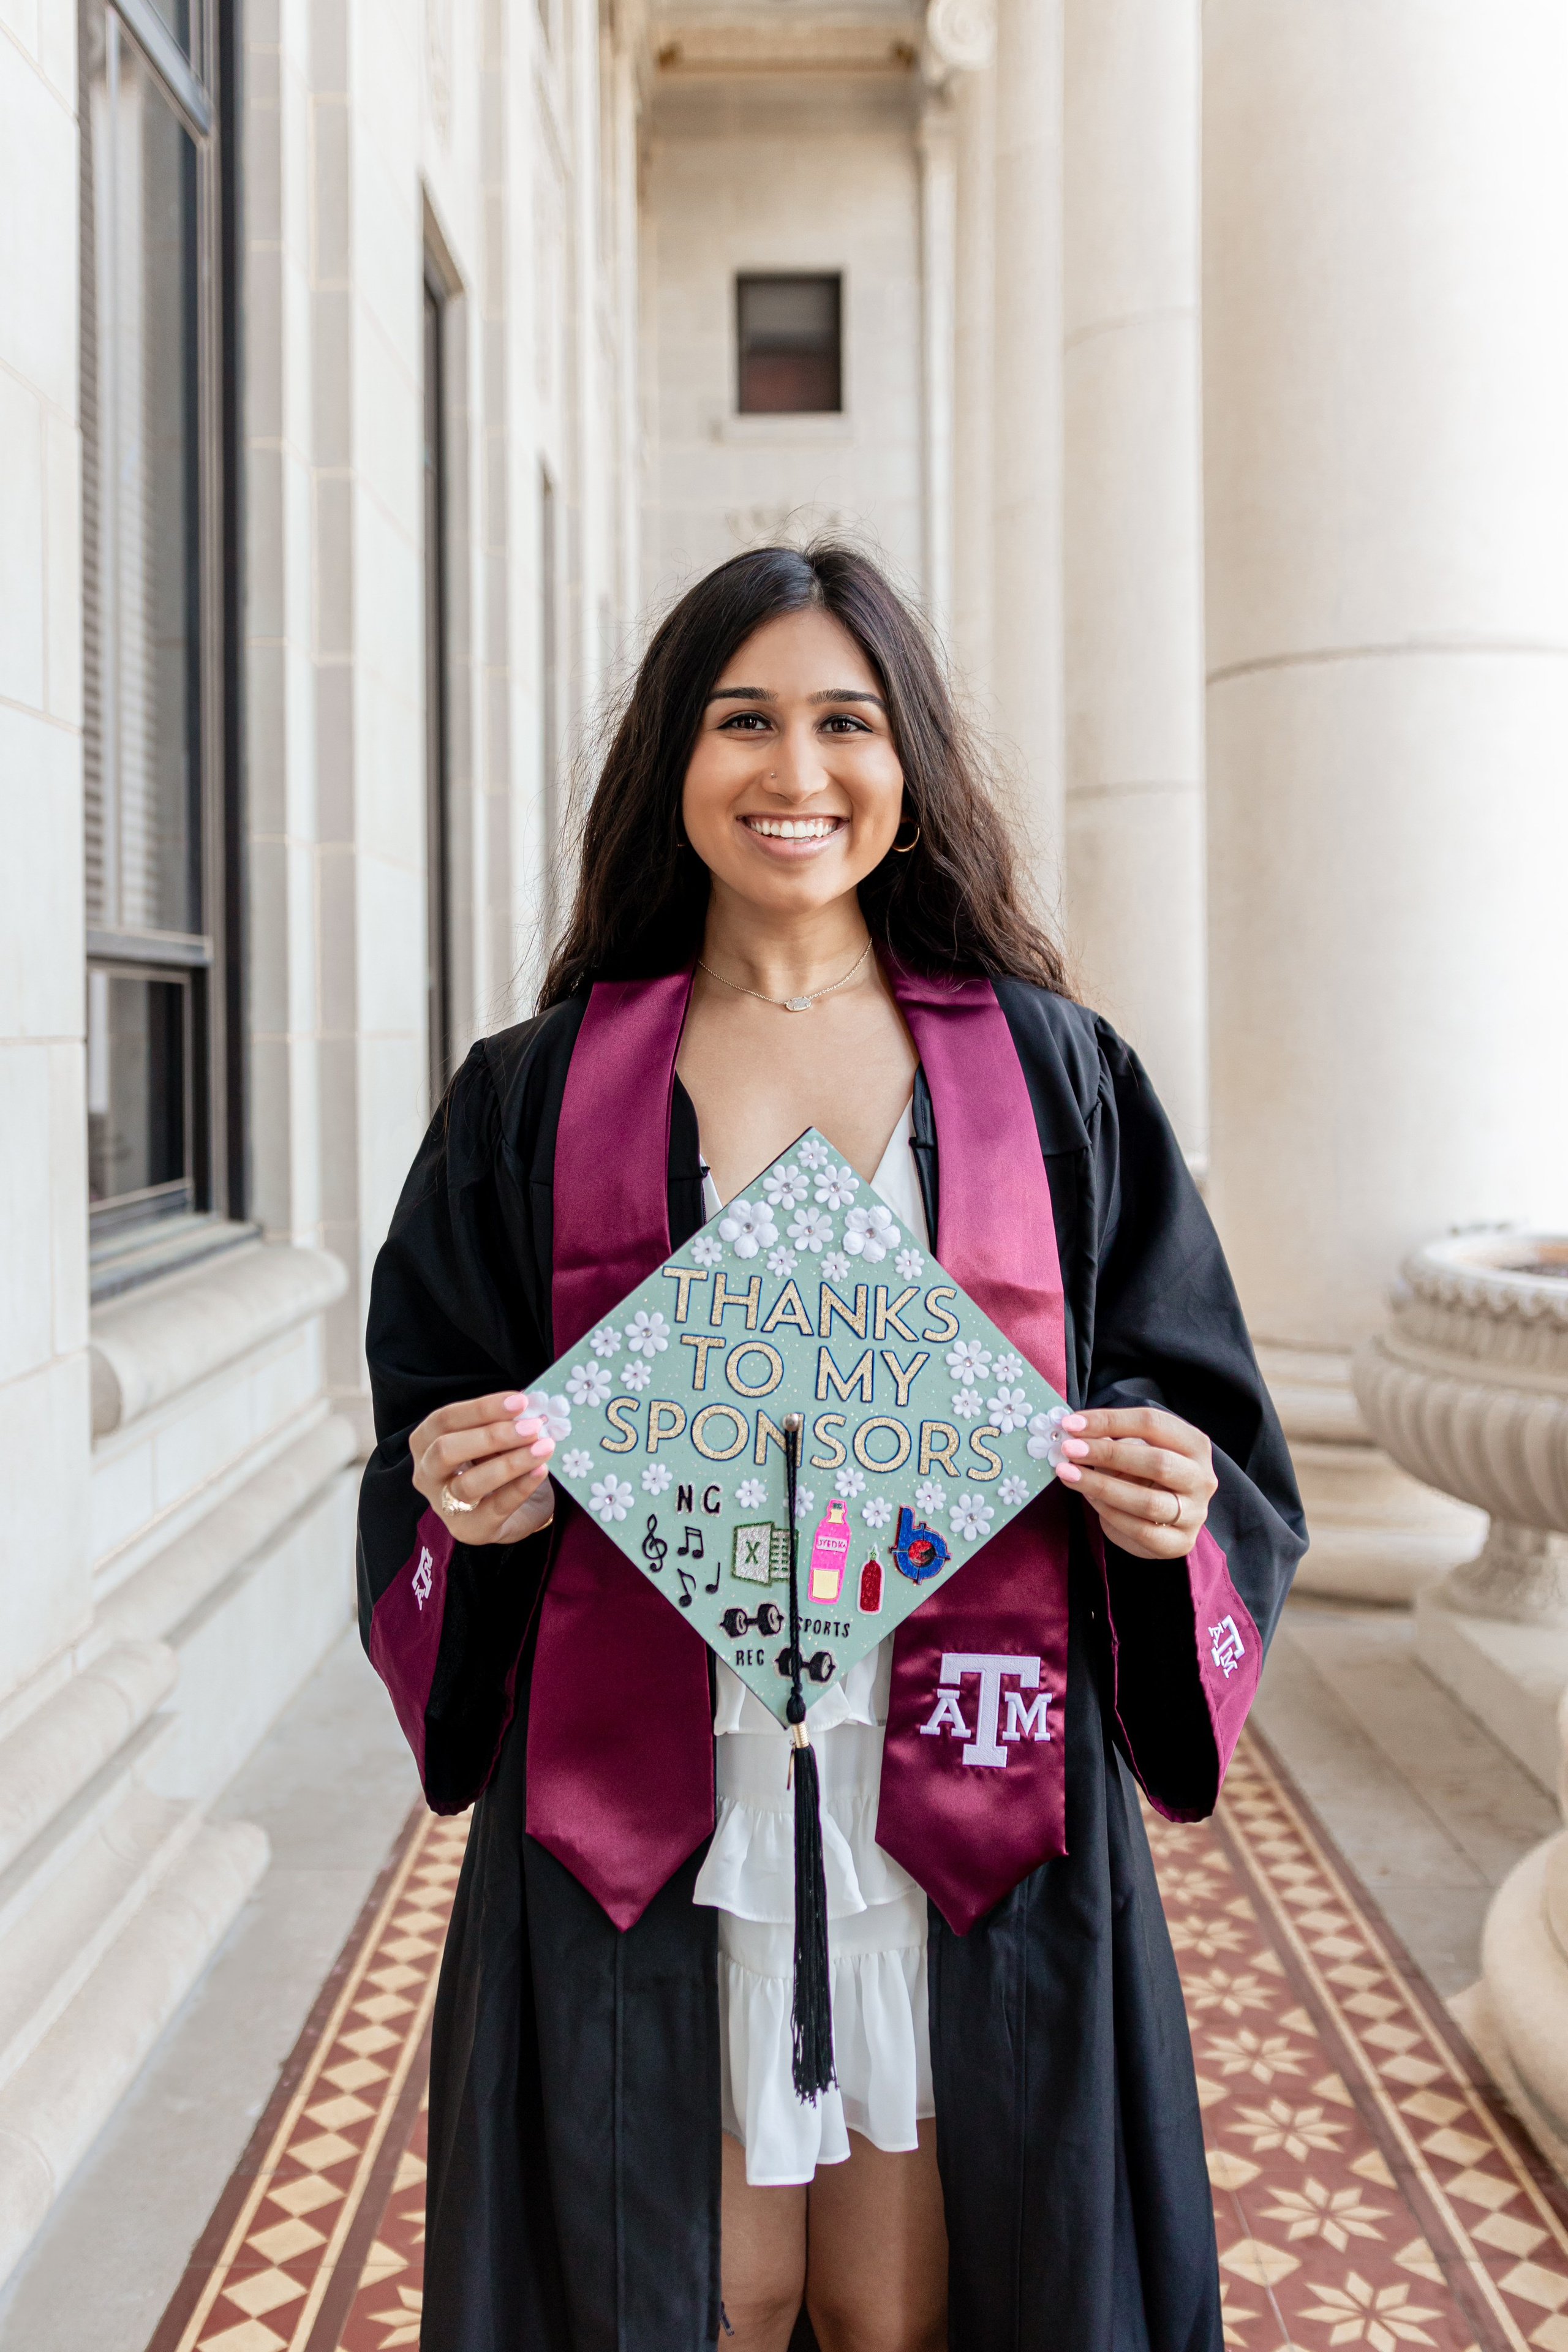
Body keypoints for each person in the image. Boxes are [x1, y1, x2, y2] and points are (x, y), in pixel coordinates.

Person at [357, 543, 1305, 2352]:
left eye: (845, 723)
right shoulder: (538, 1093)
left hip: (960, 1774)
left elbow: (1211, 1429)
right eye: (746, 724)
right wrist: (462, 1502)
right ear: (673, 762)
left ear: (911, 762)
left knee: (901, 2306)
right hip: (648, 1799)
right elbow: (418, 1430)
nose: (797, 775)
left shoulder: (1051, 1075)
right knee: (704, 2294)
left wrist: (1171, 1505)